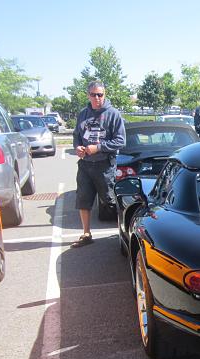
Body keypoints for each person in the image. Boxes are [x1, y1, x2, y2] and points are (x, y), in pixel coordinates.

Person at [71, 80, 126, 248]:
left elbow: (121, 141)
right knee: (83, 199)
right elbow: (76, 136)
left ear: (104, 95)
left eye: (100, 94)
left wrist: (99, 148)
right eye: (93, 94)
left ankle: (122, 234)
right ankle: (86, 234)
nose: (97, 98)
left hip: (104, 165)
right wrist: (77, 147)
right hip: (85, 165)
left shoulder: (113, 114)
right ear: (88, 95)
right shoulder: (83, 114)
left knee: (110, 201)